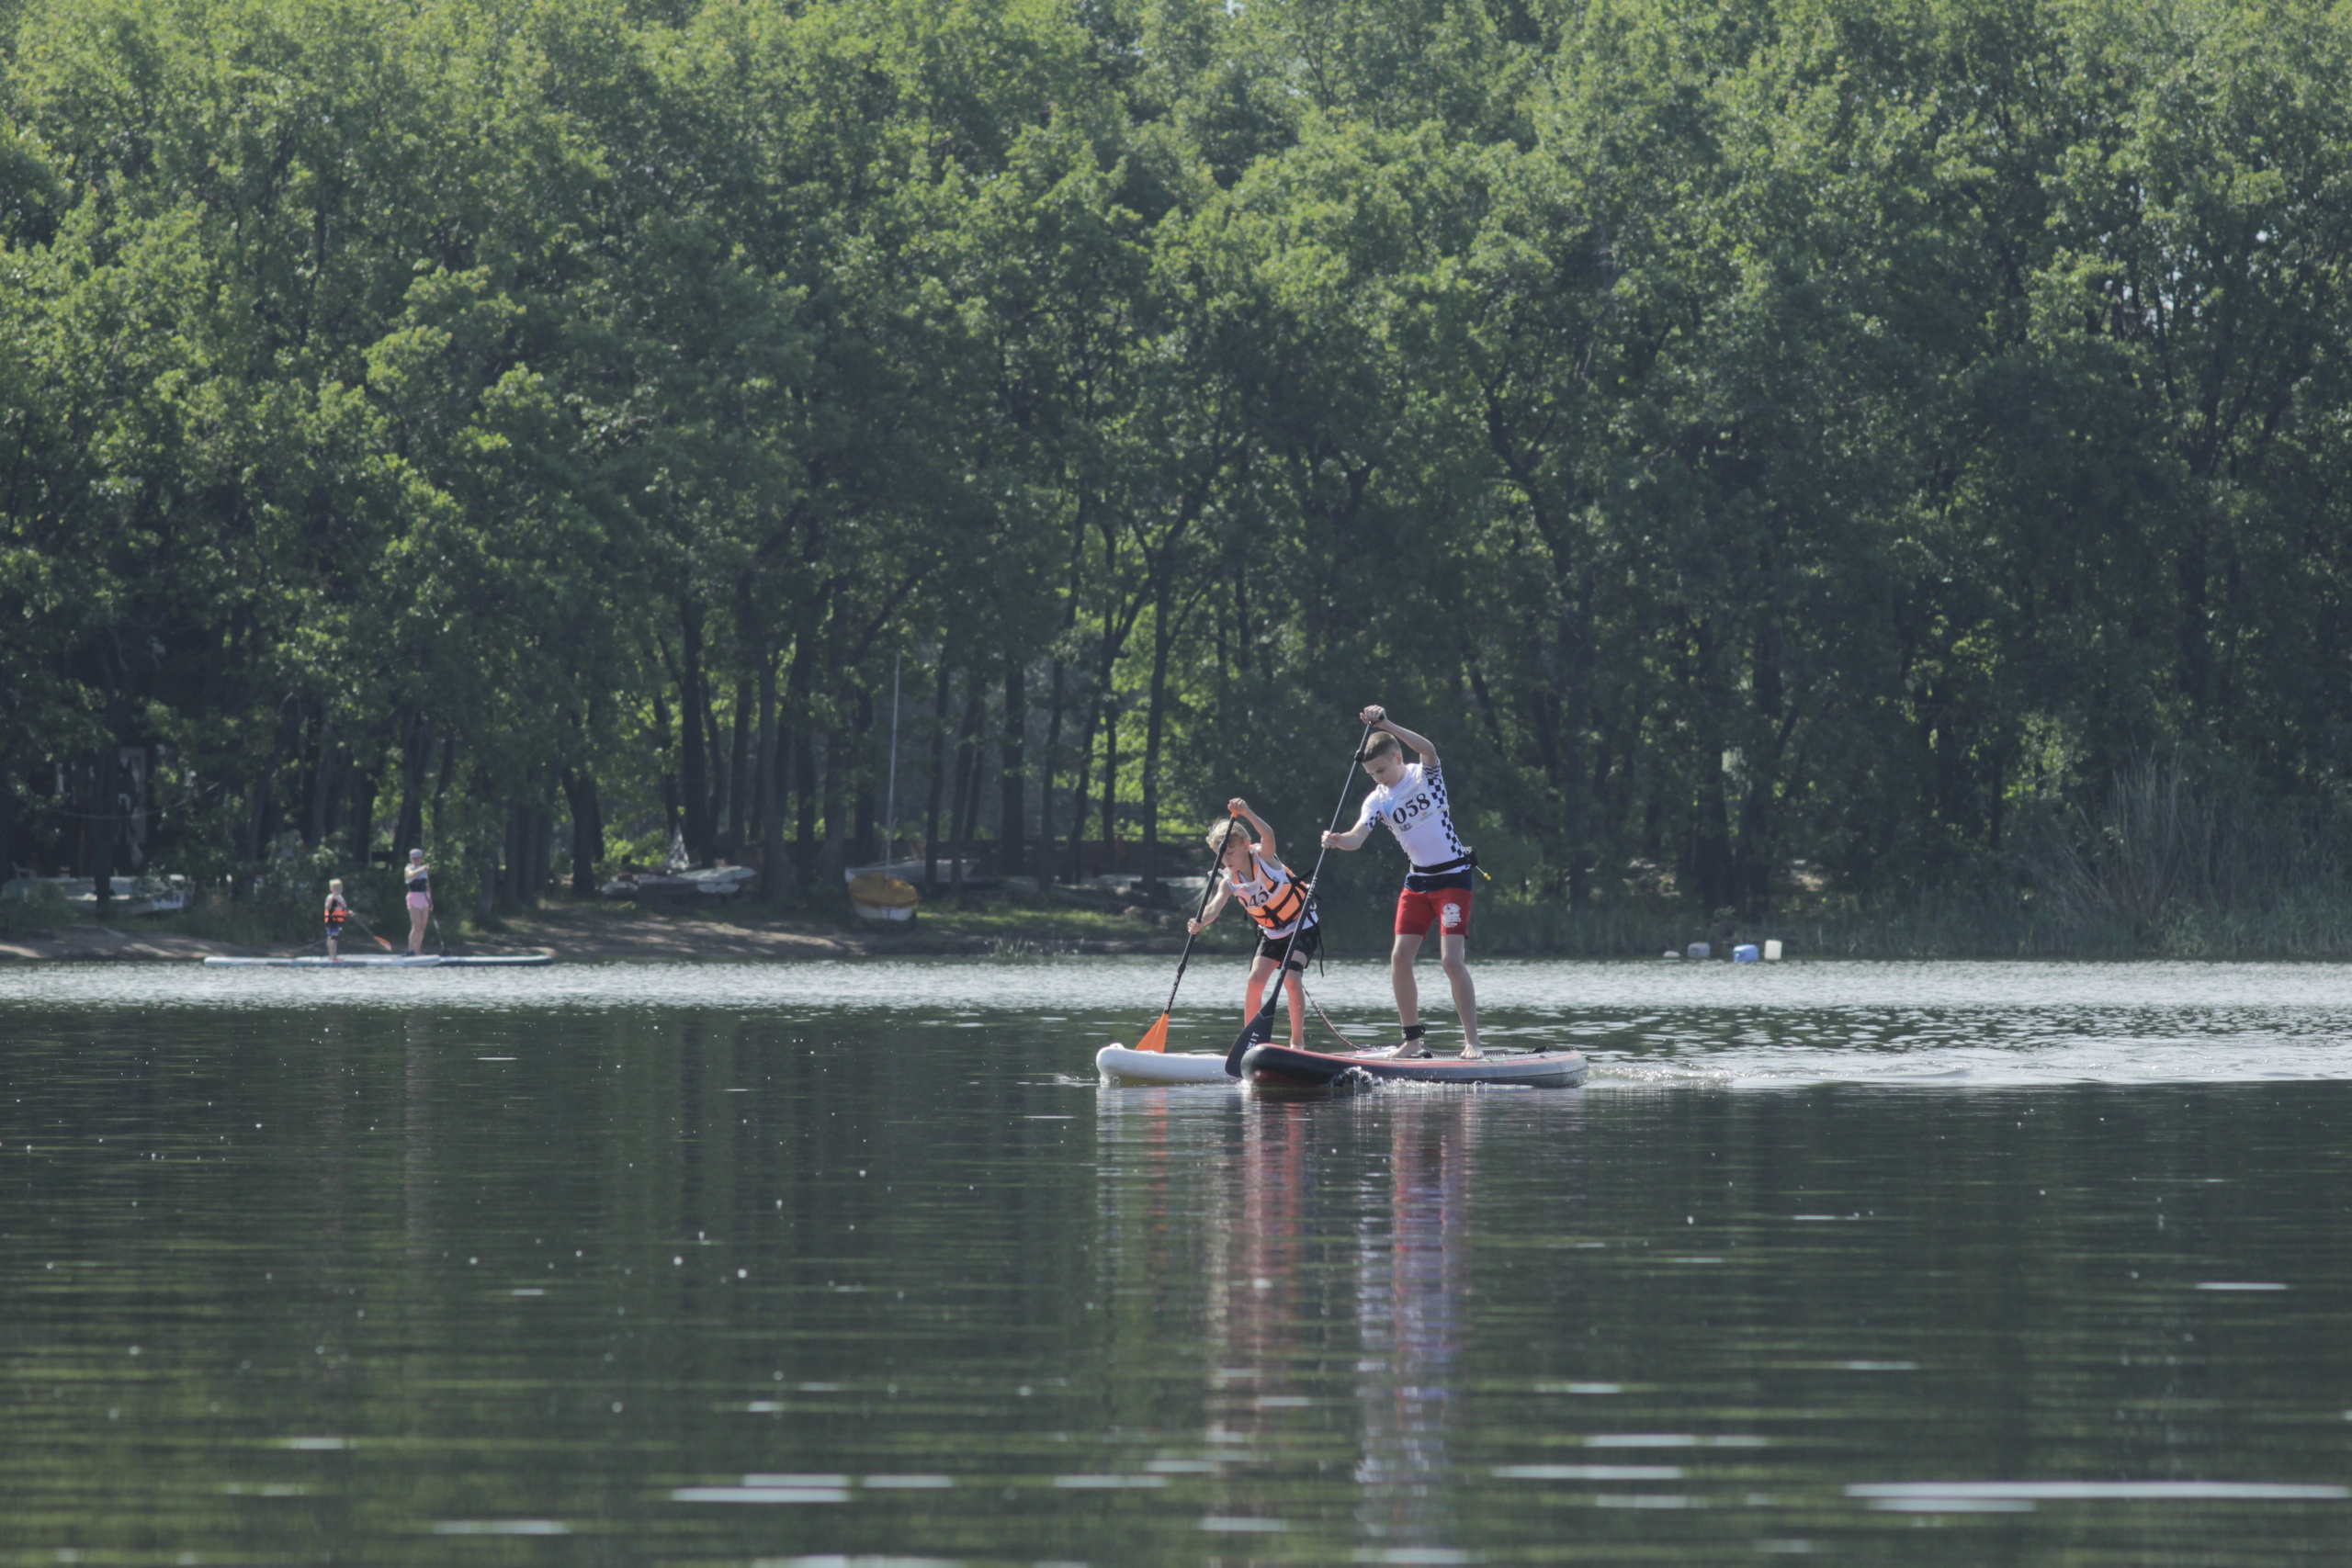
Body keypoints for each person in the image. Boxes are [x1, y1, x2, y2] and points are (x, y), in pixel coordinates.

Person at [1321, 705, 1482, 1058]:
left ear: (1397, 758)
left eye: (1381, 769)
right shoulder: (1377, 800)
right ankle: (1412, 1040)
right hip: (1418, 883)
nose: (1378, 778)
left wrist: (1387, 724)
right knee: (1399, 957)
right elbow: (1357, 838)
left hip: (1454, 876)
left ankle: (1472, 1042)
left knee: (1450, 961)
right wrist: (1337, 839)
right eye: (1370, 774)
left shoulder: (1425, 776)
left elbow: (1429, 749)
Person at [1188, 799, 1319, 1050]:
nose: (1225, 858)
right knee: (1254, 981)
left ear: (1245, 845)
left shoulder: (1265, 859)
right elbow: (1213, 907)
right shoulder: (1228, 882)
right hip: (1271, 933)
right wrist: (1199, 922)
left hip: (1302, 924)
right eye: (1220, 854)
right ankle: (1248, 1044)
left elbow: (1267, 834)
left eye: (1230, 851)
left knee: (1291, 979)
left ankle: (1297, 1044)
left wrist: (1246, 812)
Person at [402, 850, 432, 954]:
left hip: (424, 897)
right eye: (414, 858)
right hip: (414, 897)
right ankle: (411, 949)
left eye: (418, 858)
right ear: (411, 859)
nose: (416, 860)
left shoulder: (424, 870)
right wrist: (422, 868)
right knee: (416, 925)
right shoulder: (408, 868)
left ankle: (418, 951)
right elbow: (410, 875)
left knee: (423, 926)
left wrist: (430, 901)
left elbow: (427, 885)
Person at [322, 879, 350, 961]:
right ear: (332, 889)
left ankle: (332, 956)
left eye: (340, 888)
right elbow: (328, 907)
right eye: (337, 888)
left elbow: (343, 908)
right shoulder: (330, 897)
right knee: (333, 938)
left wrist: (349, 912)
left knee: (333, 937)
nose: (339, 890)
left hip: (337, 920)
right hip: (332, 920)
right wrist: (333, 898)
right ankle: (333, 957)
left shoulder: (340, 897)